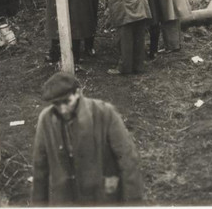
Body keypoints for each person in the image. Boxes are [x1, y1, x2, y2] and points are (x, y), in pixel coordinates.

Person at [31, 71, 143, 205]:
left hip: (100, 197)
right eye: (56, 104)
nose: (63, 109)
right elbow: (40, 167)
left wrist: (133, 202)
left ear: (78, 92)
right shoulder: (46, 120)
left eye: (67, 102)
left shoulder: (104, 113)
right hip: (65, 198)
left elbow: (127, 158)